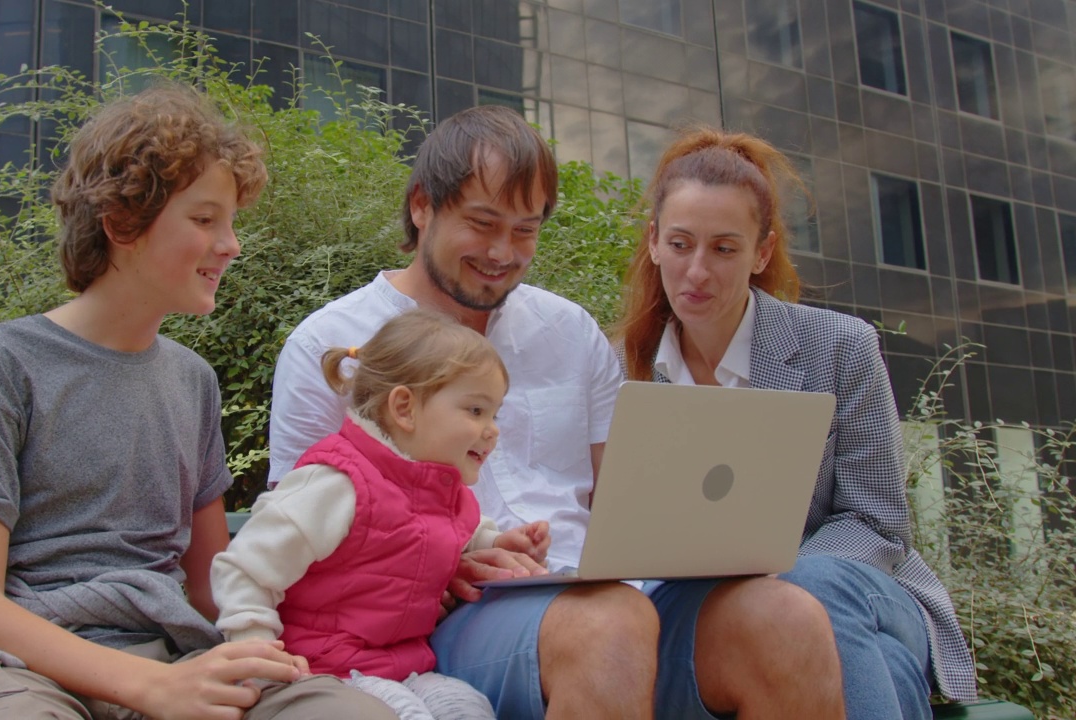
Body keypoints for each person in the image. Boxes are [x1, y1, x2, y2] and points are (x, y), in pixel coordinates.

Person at [268, 103, 846, 719]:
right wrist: (441, 559)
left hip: (608, 591)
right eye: (482, 223)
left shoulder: (569, 331)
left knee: (787, 618)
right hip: (449, 621)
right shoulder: (331, 345)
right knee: (610, 626)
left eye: (525, 230)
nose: (502, 252)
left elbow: (628, 495)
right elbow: (296, 544)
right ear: (421, 207)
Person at [0, 83, 397, 720]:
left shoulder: (192, 380)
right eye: (205, 220)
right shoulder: (3, 364)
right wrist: (150, 689)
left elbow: (207, 587)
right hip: (14, 668)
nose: (231, 244)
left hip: (171, 653)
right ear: (122, 222)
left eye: (230, 223)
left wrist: (280, 644)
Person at [613, 126, 977, 718]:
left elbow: (877, 521)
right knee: (879, 666)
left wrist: (785, 580)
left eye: (724, 249)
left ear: (761, 252)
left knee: (814, 592)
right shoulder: (619, 369)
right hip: (704, 610)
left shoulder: (839, 346)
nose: (697, 271)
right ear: (654, 242)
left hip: (862, 590)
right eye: (681, 244)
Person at [212, 308, 551, 719]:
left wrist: (499, 544)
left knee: (468, 708)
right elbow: (245, 569)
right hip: (320, 671)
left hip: (404, 666)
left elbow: (460, 531)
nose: (492, 429)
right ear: (405, 408)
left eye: (495, 414)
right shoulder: (336, 483)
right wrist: (257, 655)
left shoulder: (443, 490)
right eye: (476, 411)